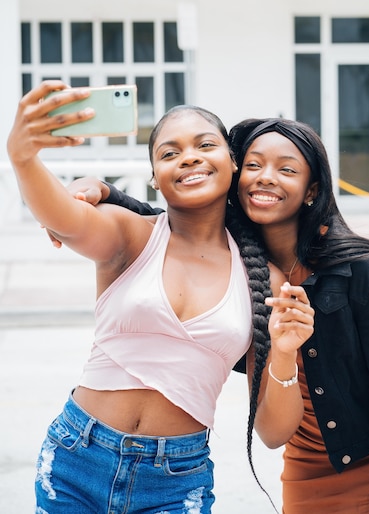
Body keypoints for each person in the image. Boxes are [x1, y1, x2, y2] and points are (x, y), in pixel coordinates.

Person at [72, 117, 369, 513]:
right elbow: (168, 216)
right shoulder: (238, 259)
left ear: (312, 190)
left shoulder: (358, 270)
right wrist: (107, 193)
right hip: (303, 470)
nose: (265, 178)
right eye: (253, 165)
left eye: (286, 169)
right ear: (235, 174)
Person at [7, 82, 314, 514]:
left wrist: (285, 355)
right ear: (155, 177)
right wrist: (23, 158)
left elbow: (272, 432)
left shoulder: (265, 279)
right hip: (77, 457)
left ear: (231, 162)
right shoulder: (130, 235)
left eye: (204, 145)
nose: (188, 156)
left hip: (175, 481)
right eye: (169, 153)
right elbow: (64, 217)